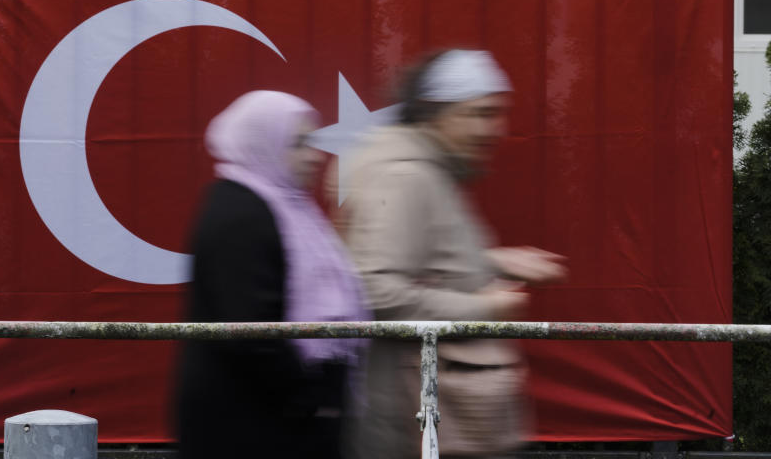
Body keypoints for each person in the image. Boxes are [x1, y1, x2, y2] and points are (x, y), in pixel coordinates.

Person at [340, 49, 566, 459]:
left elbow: (423, 260)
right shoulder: (405, 175)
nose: (496, 128)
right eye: (480, 113)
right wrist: (485, 306)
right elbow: (375, 290)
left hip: (439, 420)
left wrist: (490, 260)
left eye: (498, 113)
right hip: (412, 424)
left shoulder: (430, 170)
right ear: (434, 112)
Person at [176, 90, 367, 459]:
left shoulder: (285, 205)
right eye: (298, 143)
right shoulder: (241, 213)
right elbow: (251, 332)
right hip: (249, 425)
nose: (315, 156)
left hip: (279, 419)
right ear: (263, 142)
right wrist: (309, 397)